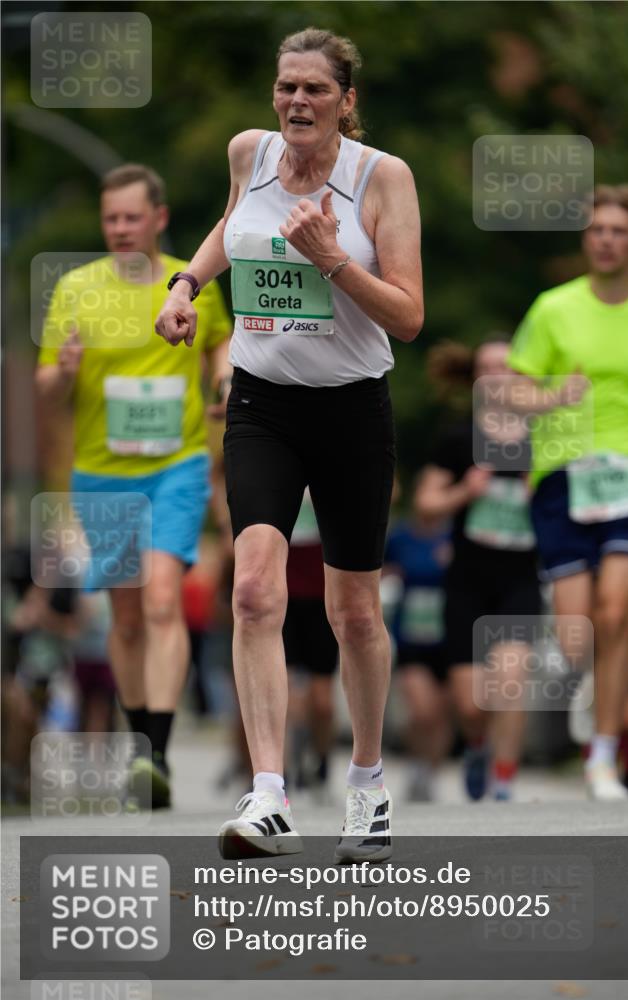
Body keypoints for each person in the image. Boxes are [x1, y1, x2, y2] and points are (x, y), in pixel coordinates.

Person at [156, 27, 423, 861]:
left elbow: (409, 318)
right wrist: (185, 285)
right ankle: (268, 793)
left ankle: (368, 783)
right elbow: (230, 225)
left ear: (347, 100)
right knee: (252, 593)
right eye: (285, 88)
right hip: (262, 403)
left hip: (350, 410)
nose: (296, 102)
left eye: (314, 89)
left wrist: (333, 261)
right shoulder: (251, 154)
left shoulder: (381, 179)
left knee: (353, 611)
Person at [36, 163, 232, 808]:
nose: (120, 228)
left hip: (176, 464)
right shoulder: (74, 288)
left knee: (161, 601)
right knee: (124, 616)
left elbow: (219, 351)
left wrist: (225, 386)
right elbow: (45, 389)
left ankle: (161, 751)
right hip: (102, 474)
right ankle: (140, 743)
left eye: (131, 217)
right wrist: (62, 372)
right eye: (110, 218)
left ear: (159, 218)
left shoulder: (191, 281)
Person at [508, 184, 628, 800]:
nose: (605, 239)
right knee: (577, 635)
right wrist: (548, 399)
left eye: (618, 231)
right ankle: (593, 690)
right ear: (586, 240)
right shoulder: (553, 309)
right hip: (563, 476)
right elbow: (513, 390)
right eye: (596, 229)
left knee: (616, 608)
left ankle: (602, 755)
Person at [416, 338, 542, 801]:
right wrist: (464, 494)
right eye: (488, 369)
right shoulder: (458, 439)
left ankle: (504, 780)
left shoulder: (544, 440)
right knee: (471, 706)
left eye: (508, 369)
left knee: (510, 682)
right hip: (467, 580)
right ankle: (475, 744)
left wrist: (543, 496)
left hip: (519, 579)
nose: (498, 378)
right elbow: (426, 506)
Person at [383, 473, 452, 802]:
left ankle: (431, 773)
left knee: (440, 713)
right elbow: (380, 573)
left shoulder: (456, 537)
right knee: (421, 710)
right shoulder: (400, 538)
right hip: (411, 636)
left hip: (448, 637)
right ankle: (416, 764)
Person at [283, 488, 339, 803]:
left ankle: (322, 760)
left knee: (322, 702)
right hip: (284, 596)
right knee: (288, 696)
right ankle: (283, 774)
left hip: (323, 598)